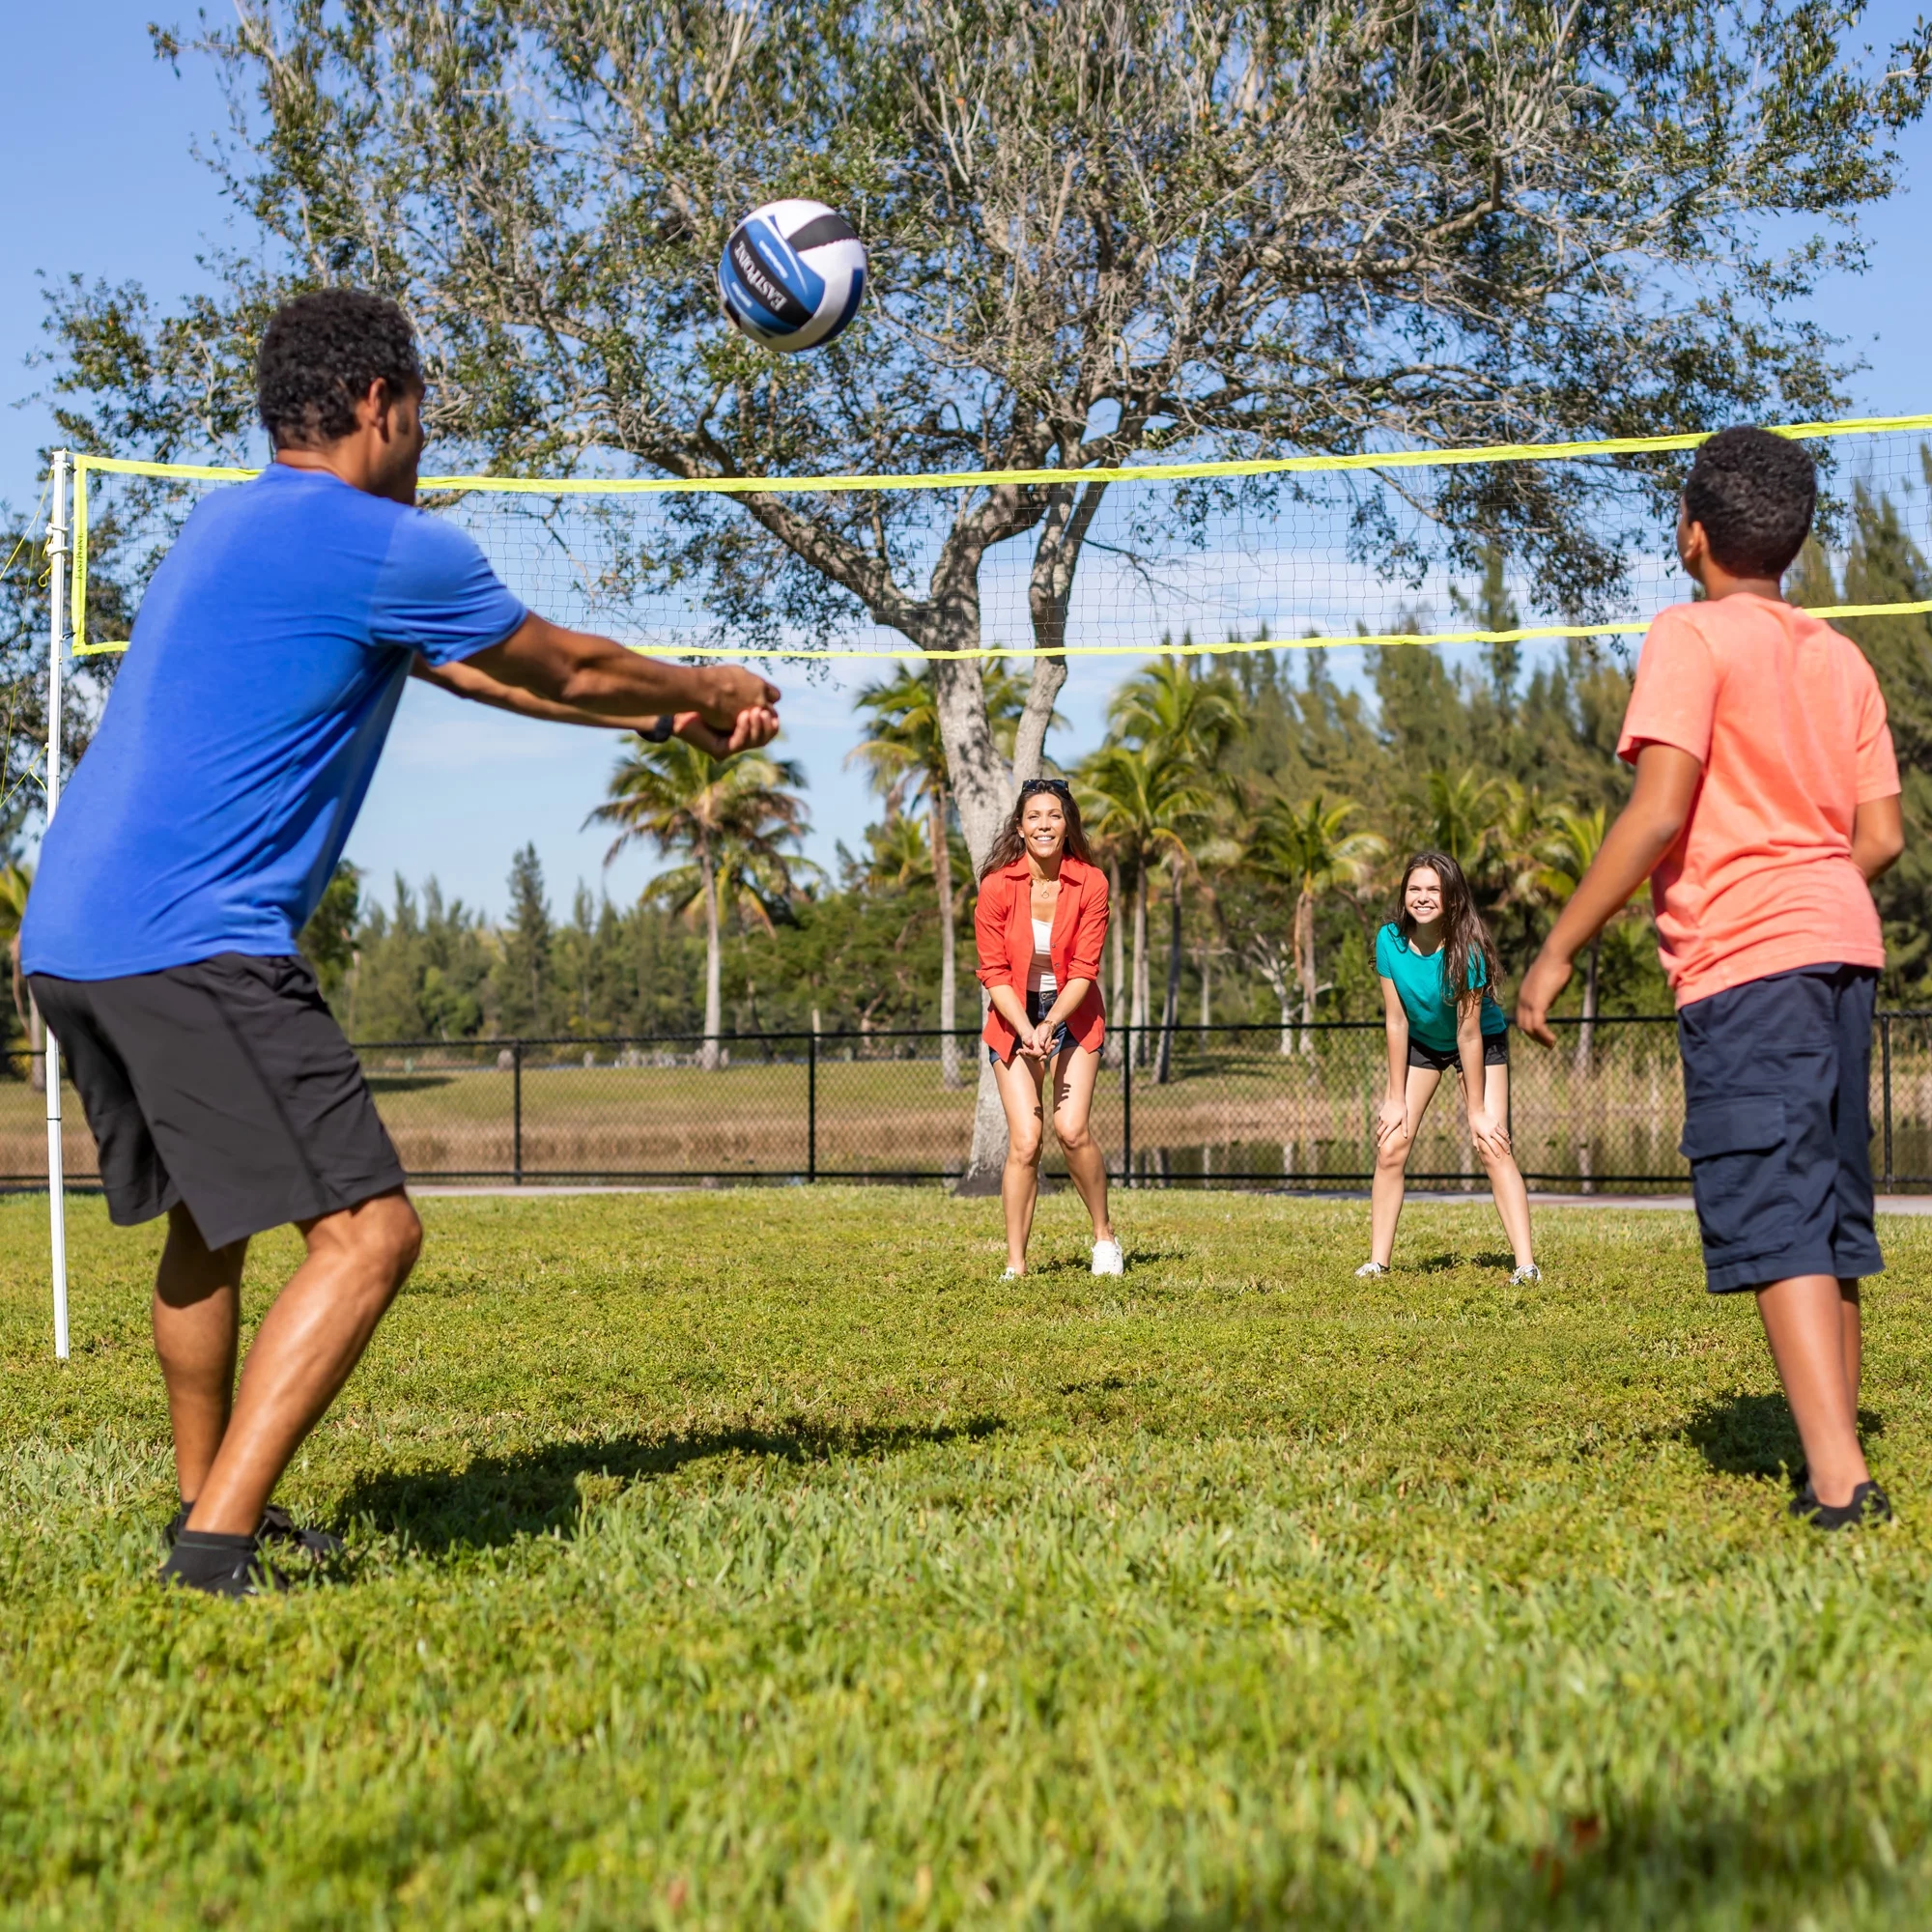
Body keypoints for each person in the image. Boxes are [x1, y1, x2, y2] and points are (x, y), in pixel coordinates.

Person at [22, 289, 781, 1596]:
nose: (424, 442)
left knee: (211, 1221)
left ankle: (210, 1510)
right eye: (421, 415)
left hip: (73, 930)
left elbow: (480, 672)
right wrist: (707, 688)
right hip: (196, 937)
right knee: (371, 1237)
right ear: (382, 404)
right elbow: (569, 664)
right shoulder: (380, 540)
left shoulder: (226, 525)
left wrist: (655, 731)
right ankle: (212, 1555)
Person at [1519, 424, 1905, 1531]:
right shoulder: (1839, 656)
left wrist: (1557, 950)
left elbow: (1658, 808)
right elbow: (1877, 832)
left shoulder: (1686, 636)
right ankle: (1831, 1446)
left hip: (1747, 959)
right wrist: (1808, 866)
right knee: (1827, 1209)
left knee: (1777, 1204)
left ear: (1690, 534)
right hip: (1842, 946)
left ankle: (1839, 1484)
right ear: (1794, 540)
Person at [1358, 851, 1540, 1283]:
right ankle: (1378, 1263)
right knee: (1390, 1146)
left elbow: (1469, 1035)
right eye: (1414, 889)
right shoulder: (1389, 940)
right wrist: (1394, 1097)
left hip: (1477, 1041)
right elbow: (1396, 1020)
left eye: (1433, 889)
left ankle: (1526, 1266)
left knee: (1491, 1145)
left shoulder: (1467, 949)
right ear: (1404, 895)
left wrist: (1476, 1111)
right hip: (1422, 1041)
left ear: (1452, 897)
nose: (1422, 897)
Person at [974, 778, 1122, 1279]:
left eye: (1054, 815)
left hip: (1073, 1011)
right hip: (1012, 1012)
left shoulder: (1091, 883)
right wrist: (1026, 1026)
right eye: (1034, 816)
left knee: (1071, 1129)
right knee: (1026, 1141)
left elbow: (1084, 970)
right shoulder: (996, 886)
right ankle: (1015, 1264)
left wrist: (1052, 1021)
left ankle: (1104, 1237)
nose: (1044, 824)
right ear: (1020, 827)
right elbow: (993, 973)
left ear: (1067, 825)